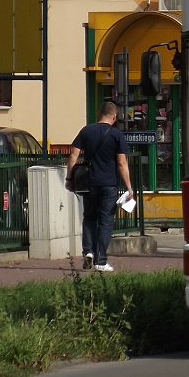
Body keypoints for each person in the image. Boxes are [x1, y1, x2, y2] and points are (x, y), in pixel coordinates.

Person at [65, 101, 133, 272]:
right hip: (108, 184)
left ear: (99, 114)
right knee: (105, 221)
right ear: (114, 116)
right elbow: (121, 163)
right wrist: (129, 187)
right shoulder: (116, 135)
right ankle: (100, 261)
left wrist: (69, 178)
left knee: (88, 217)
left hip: (89, 182)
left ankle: (88, 252)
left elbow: (73, 155)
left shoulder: (86, 131)